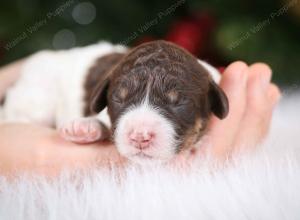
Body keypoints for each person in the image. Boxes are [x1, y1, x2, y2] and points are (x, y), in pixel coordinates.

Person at [0, 59, 281, 176]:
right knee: (31, 112)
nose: (141, 134)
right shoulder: (58, 75)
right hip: (51, 71)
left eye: (176, 104)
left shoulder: (206, 84)